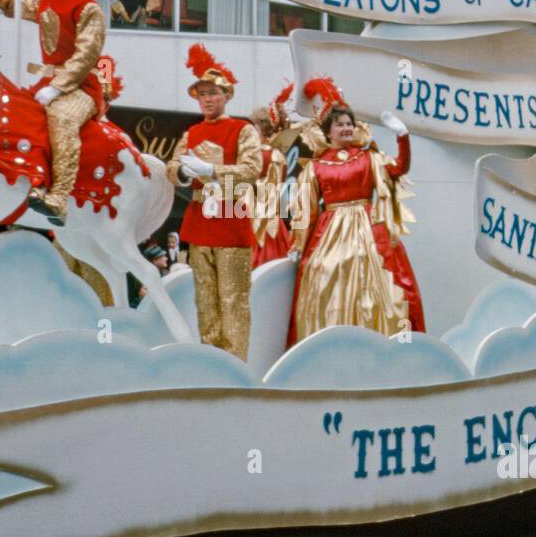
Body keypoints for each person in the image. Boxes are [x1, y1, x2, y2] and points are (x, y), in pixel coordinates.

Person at [289, 77, 425, 344]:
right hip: (329, 237)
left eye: (350, 123)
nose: (346, 128)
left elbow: (399, 167)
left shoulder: (368, 158)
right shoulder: (316, 167)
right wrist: (297, 244)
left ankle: (381, 343)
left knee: (380, 288)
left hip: (369, 231)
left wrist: (402, 136)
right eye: (340, 124)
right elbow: (307, 212)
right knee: (323, 276)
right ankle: (330, 346)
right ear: (329, 132)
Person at [0, 0, 107, 226]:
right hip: (47, 84)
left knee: (62, 119)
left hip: (81, 88)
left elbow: (87, 55)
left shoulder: (88, 7)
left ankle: (60, 198)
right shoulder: (42, 0)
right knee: (14, 112)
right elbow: (10, 1)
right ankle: (31, 180)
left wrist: (57, 87)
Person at [165, 44, 262, 359]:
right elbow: (171, 166)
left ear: (227, 95)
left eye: (213, 93)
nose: (206, 99)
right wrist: (180, 170)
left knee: (233, 298)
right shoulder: (191, 132)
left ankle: (236, 363)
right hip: (199, 219)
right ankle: (211, 360)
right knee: (205, 299)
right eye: (202, 94)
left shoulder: (242, 130)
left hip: (230, 214)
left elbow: (251, 170)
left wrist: (212, 171)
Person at [251, 83, 297, 269]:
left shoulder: (266, 155)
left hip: (260, 223)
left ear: (262, 129)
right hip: (266, 221)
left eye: (252, 127)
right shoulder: (274, 155)